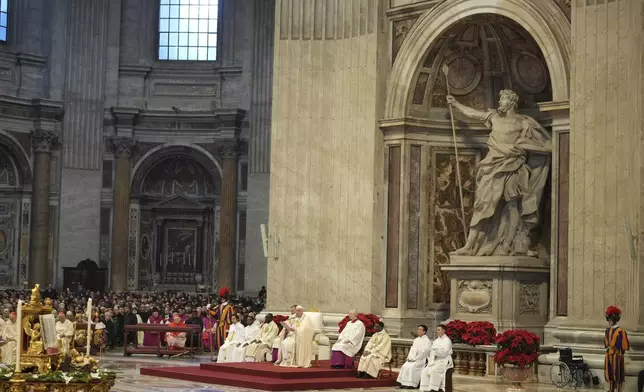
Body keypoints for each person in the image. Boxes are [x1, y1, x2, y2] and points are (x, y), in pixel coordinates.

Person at [446, 91, 551, 257]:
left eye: (502, 100)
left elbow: (547, 146)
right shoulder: (493, 117)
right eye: (501, 99)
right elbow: (474, 113)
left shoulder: (523, 123)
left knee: (512, 207)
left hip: (513, 166)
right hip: (492, 167)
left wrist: (523, 146)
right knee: (482, 205)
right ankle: (469, 245)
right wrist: (456, 104)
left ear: (511, 102)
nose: (500, 103)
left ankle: (507, 245)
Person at [396, 325, 432, 389]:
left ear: (424, 332)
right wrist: (410, 358)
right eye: (418, 329)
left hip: (421, 359)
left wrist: (415, 359)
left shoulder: (427, 341)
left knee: (412, 367)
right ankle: (404, 383)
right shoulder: (416, 340)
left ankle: (412, 384)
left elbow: (424, 352)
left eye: (420, 329)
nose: (418, 330)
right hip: (412, 358)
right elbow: (412, 350)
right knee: (405, 366)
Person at [420, 324, 454, 392]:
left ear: (443, 331)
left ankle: (434, 388)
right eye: (437, 330)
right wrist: (433, 351)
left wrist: (435, 351)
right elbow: (432, 349)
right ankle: (427, 388)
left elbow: (444, 352)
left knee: (434, 370)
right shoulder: (437, 340)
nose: (437, 331)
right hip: (435, 360)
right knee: (424, 371)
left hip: (443, 361)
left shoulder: (447, 341)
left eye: (439, 330)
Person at [605, 306, 629, 392]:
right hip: (609, 354)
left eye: (610, 320)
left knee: (617, 374)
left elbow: (624, 346)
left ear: (613, 319)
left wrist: (620, 353)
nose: (609, 322)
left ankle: (618, 390)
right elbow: (606, 343)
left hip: (617, 355)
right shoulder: (607, 330)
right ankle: (611, 389)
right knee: (610, 372)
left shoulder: (621, 331)